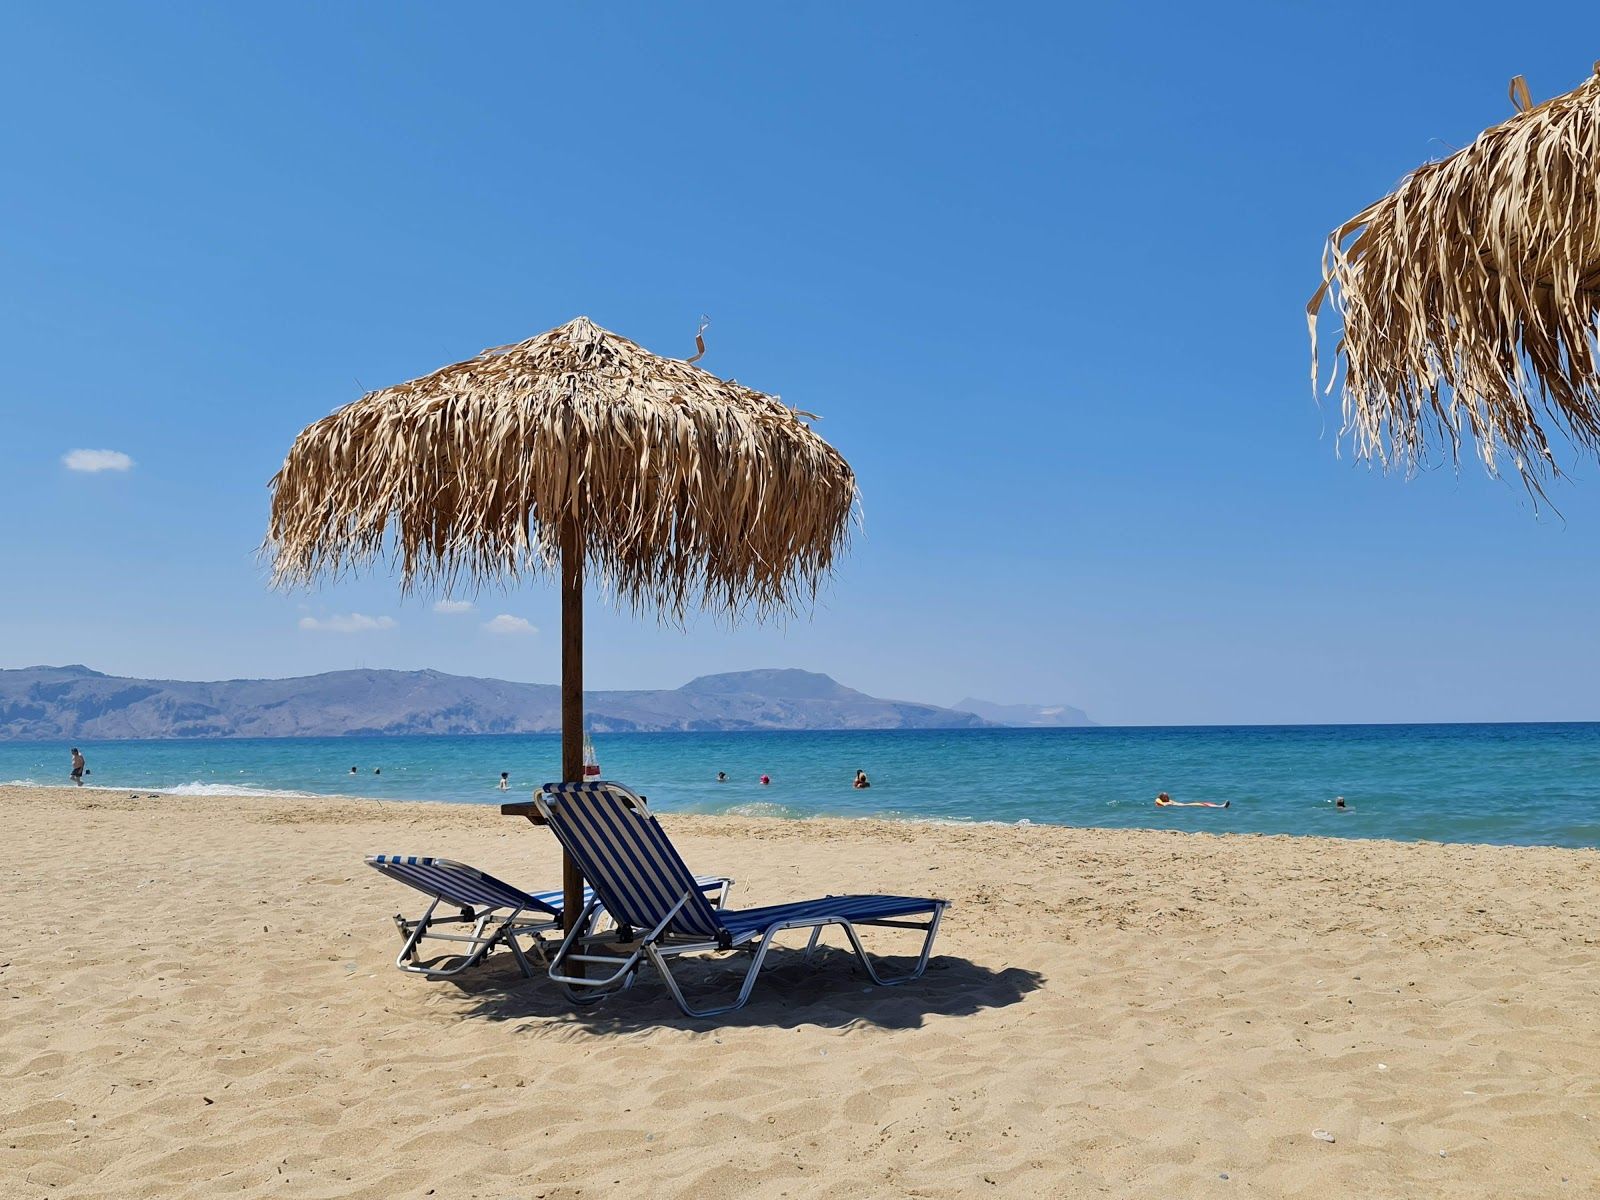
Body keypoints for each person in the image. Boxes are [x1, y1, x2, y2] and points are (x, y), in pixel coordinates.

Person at [1155, 791, 1229, 809]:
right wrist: (1164, 804)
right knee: (1202, 804)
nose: (1168, 797)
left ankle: (1220, 806)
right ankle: (1221, 806)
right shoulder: (1159, 800)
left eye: (1167, 796)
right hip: (1183, 807)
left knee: (1204, 803)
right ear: (1162, 797)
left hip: (1185, 805)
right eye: (1165, 796)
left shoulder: (1169, 801)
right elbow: (1158, 800)